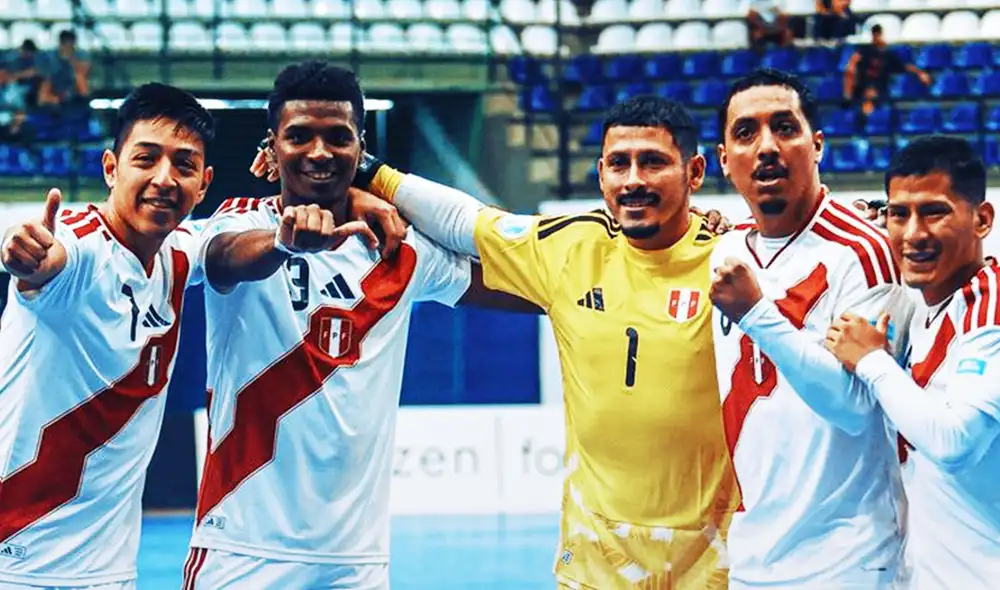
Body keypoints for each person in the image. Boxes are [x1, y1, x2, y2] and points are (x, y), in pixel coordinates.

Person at [267, 94, 740, 589]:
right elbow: (465, 221)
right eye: (619, 164)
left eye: (654, 162)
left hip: (715, 562)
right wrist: (360, 175)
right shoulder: (570, 247)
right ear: (600, 174)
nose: (634, 180)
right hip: (597, 567)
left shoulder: (735, 260)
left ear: (695, 171)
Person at [182, 60, 536, 589]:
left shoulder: (401, 250)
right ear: (271, 149)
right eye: (298, 137)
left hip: (357, 564)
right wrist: (285, 241)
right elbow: (227, 258)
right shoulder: (239, 222)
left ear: (361, 148)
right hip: (242, 552)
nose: (319, 153)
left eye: (338, 138)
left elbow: (532, 284)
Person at [0, 83, 215, 589]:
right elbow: (50, 255)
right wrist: (28, 258)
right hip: (16, 565)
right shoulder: (80, 244)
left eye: (183, 166)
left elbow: (244, 236)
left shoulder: (181, 253)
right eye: (146, 159)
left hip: (108, 572)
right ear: (110, 168)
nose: (164, 179)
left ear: (203, 184)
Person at [708, 68, 905, 588]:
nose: (767, 147)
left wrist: (756, 314)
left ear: (816, 145)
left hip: (848, 561)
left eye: (785, 128)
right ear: (725, 160)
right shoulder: (727, 250)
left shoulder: (863, 249)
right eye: (746, 133)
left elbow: (858, 410)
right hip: (752, 559)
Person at [826, 135, 1000, 589]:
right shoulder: (923, 301)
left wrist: (872, 362)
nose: (913, 233)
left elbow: (955, 442)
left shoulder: (991, 308)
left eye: (934, 211)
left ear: (982, 219)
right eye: (899, 214)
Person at [844, 24, 932, 119]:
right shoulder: (864, 51)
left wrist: (920, 73)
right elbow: (851, 66)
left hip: (880, 88)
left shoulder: (888, 55)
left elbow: (904, 66)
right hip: (863, 87)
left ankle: (871, 116)